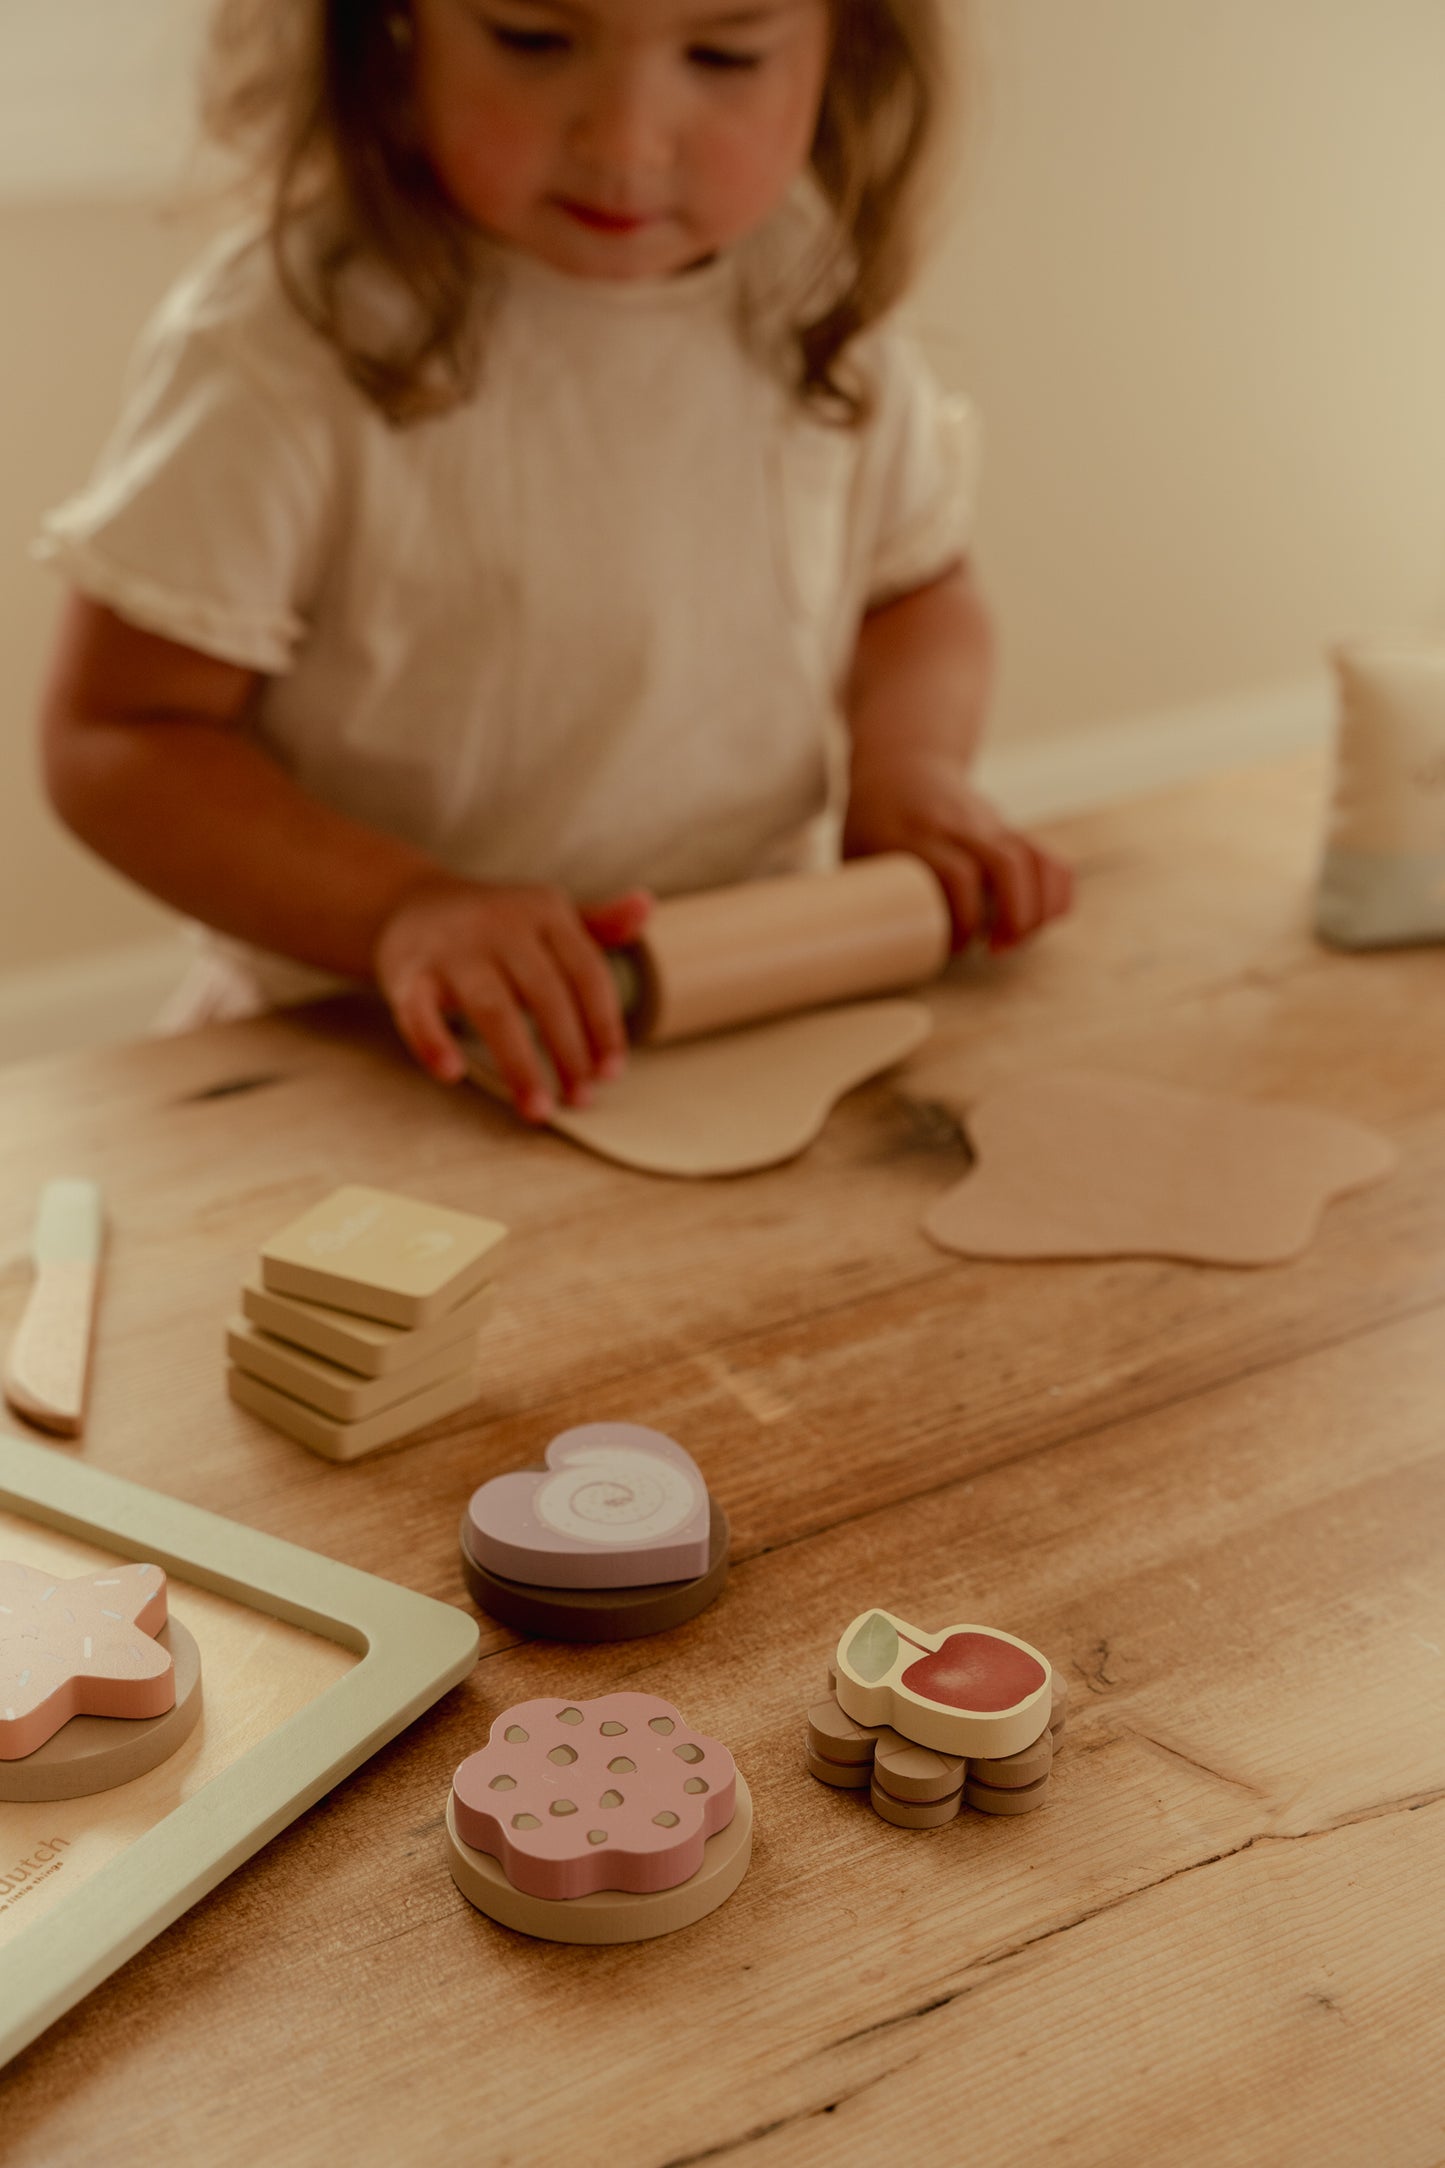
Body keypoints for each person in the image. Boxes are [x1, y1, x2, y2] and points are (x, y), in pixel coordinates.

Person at [37, 0, 1071, 1124]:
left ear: (849, 46)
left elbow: (912, 590)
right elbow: (118, 737)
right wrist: (406, 907)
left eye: (723, 55)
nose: (626, 141)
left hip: (727, 1006)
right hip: (358, 1051)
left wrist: (910, 766)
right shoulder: (287, 346)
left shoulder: (811, 295)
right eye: (532, 39)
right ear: (385, 27)